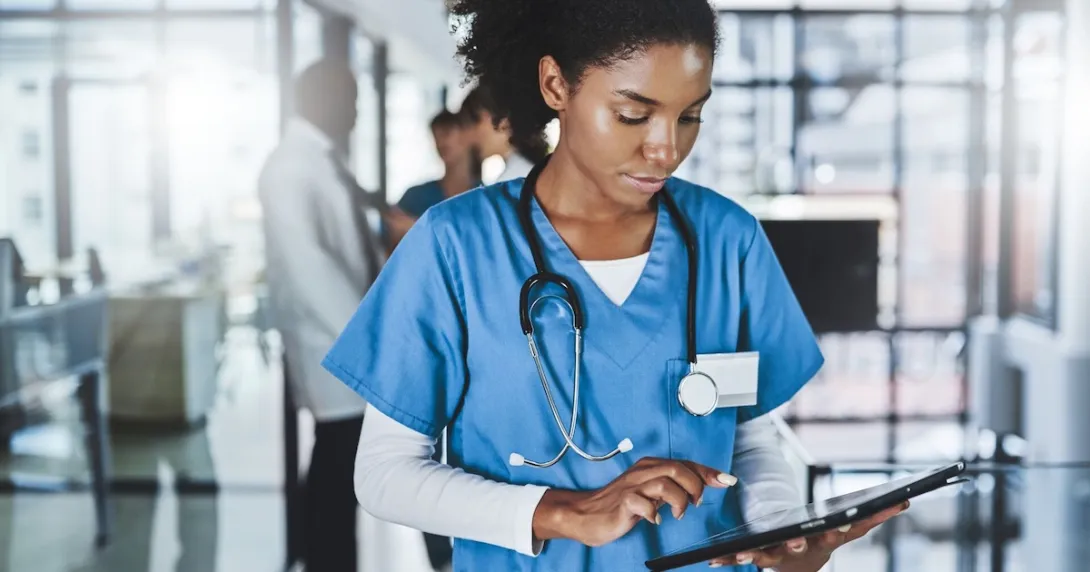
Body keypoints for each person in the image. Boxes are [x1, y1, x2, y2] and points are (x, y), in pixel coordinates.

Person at [322, 1, 907, 571]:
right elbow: (383, 472)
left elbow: (750, 441)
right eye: (633, 114)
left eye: (690, 116)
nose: (666, 149)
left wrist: (778, 532)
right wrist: (564, 512)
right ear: (556, 85)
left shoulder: (728, 239)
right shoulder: (455, 244)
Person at [258, 58, 383, 572]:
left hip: (346, 346)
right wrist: (371, 350)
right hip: (336, 349)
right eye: (350, 100)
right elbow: (311, 270)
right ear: (322, 100)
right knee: (337, 473)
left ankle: (324, 560)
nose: (355, 114)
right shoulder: (289, 167)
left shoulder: (321, 160)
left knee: (336, 474)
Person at [384, 109, 481, 250]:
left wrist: (418, 229)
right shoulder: (414, 198)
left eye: (447, 133)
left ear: (468, 135)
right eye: (436, 136)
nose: (441, 141)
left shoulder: (484, 198)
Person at [459, 85, 548, 182]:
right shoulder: (532, 172)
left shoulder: (514, 183)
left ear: (503, 119)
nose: (469, 136)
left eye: (475, 122)